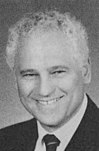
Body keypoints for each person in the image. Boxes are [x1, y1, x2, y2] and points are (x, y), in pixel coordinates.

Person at [0, 9, 99, 151]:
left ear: (85, 72)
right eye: (29, 74)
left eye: (57, 72)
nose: (44, 90)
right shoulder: (4, 141)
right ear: (15, 80)